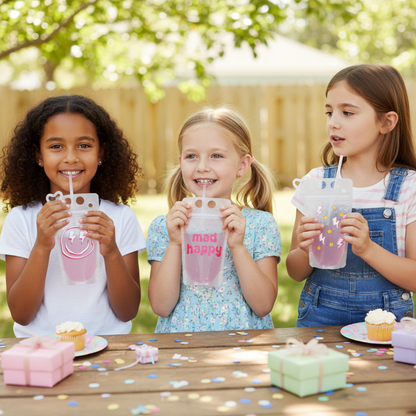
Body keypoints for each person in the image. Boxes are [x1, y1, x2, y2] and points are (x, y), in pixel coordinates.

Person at [0, 95, 146, 337]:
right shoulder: (21, 220)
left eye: (84, 145)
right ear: (38, 155)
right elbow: (21, 314)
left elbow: (128, 310)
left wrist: (110, 250)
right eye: (56, 146)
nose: (70, 157)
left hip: (107, 347)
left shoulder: (120, 218)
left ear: (101, 153)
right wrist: (41, 246)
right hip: (43, 350)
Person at [287, 64, 416, 327]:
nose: (333, 122)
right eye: (329, 112)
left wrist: (368, 249)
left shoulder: (409, 188)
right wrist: (303, 248)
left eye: (347, 112)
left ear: (386, 122)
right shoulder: (315, 183)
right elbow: (295, 272)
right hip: (319, 319)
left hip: (386, 326)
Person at [146, 107, 281, 332]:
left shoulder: (260, 225)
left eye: (216, 156)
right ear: (180, 162)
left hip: (242, 344)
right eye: (191, 156)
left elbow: (263, 305)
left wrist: (237, 246)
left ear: (242, 165)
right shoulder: (165, 227)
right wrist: (175, 243)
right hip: (182, 345)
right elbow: (161, 306)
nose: (202, 167)